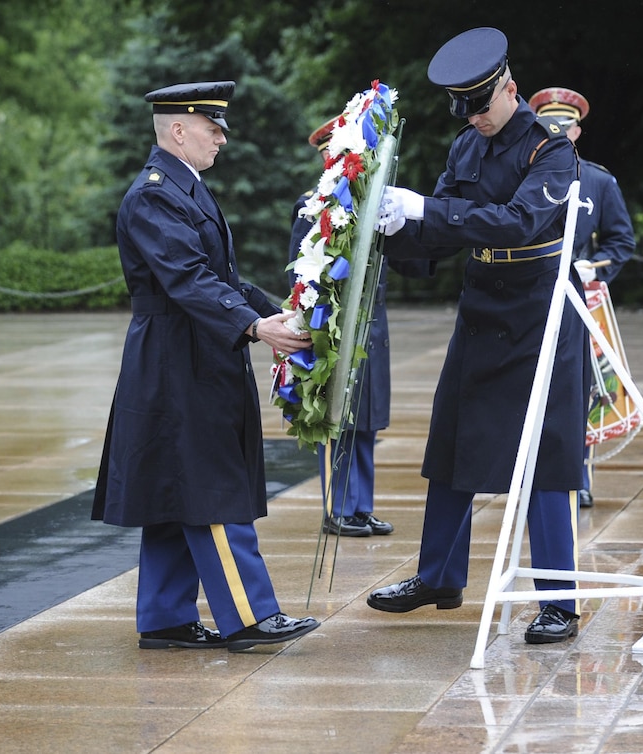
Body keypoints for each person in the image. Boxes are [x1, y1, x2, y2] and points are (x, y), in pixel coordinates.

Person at [368, 27, 590, 645]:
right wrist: (385, 231)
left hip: (539, 312)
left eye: (482, 104)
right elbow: (437, 233)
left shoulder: (551, 150)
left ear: (510, 89)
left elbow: (518, 224)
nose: (474, 117)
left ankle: (558, 601)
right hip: (483, 307)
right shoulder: (467, 146)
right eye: (463, 108)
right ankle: (437, 576)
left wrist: (425, 211)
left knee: (546, 459)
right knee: (453, 443)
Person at [92, 80, 319, 652]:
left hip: (190, 352)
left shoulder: (183, 187)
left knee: (175, 488)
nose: (221, 139)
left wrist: (279, 311)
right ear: (178, 130)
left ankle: (165, 618)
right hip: (176, 358)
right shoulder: (154, 194)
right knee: (208, 484)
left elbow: (221, 278)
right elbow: (187, 280)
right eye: (212, 128)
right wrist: (253, 327)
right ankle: (249, 615)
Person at [527, 87, 636, 509]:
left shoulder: (598, 180)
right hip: (531, 292)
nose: (558, 130)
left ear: (577, 130)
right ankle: (527, 472)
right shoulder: (524, 171)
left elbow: (620, 241)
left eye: (565, 124)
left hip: (577, 292)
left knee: (580, 386)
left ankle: (579, 474)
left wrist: (595, 268)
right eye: (549, 123)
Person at [288, 117, 396, 537]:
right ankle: (339, 507)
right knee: (337, 418)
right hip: (333, 327)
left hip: (372, 325)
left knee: (365, 420)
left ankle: (361, 505)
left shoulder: (371, 205)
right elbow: (303, 276)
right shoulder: (314, 207)